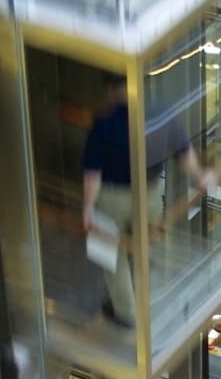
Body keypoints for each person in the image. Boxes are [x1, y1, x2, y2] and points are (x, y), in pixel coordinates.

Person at [81, 73, 211, 328]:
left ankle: (126, 312)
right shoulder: (161, 114)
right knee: (142, 246)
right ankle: (146, 299)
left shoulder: (103, 124)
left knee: (112, 254)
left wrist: (87, 209)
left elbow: (92, 175)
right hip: (150, 194)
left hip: (113, 197)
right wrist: (199, 178)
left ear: (111, 90)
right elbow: (185, 154)